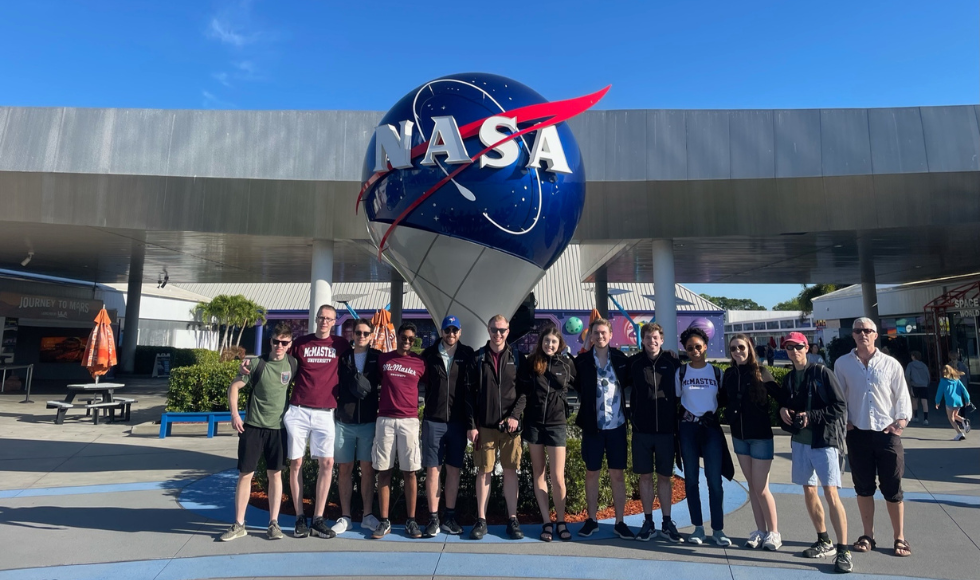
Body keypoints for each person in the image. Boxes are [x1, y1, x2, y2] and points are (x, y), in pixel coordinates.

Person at [240, 304, 352, 539]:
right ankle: (300, 517)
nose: (324, 321)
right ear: (316, 319)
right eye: (321, 317)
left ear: (334, 322)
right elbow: (277, 359)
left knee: (327, 464)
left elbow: (358, 362)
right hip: (298, 410)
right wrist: (249, 366)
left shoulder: (340, 345)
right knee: (296, 463)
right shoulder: (300, 344)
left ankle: (318, 519)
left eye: (328, 318)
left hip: (325, 411)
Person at [835, 318, 913, 559]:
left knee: (892, 488)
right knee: (864, 488)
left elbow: (902, 395)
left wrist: (901, 421)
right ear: (853, 335)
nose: (862, 334)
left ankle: (899, 537)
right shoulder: (842, 364)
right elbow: (839, 396)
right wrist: (844, 420)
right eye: (858, 330)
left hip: (887, 435)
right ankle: (867, 535)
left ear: (875, 334)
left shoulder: (890, 364)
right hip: (857, 434)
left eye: (867, 330)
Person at [779, 331, 851, 573]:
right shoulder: (789, 379)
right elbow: (787, 407)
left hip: (824, 442)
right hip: (800, 442)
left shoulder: (822, 373)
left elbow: (840, 406)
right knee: (809, 491)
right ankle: (824, 540)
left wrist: (812, 416)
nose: (794, 351)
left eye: (798, 346)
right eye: (789, 347)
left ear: (806, 347)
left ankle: (843, 550)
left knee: (831, 493)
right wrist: (783, 412)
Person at [220, 323, 296, 541]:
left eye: (284, 342)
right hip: (252, 426)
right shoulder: (255, 363)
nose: (279, 346)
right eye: (276, 341)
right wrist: (235, 415)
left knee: (275, 475)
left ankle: (274, 524)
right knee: (246, 474)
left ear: (289, 345)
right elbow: (234, 387)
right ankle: (239, 524)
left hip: (278, 429)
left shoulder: (293, 364)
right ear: (270, 341)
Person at [468, 314, 527, 540]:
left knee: (511, 472)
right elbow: (469, 396)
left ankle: (512, 519)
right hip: (485, 427)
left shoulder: (518, 358)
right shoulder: (478, 358)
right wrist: (472, 425)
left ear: (508, 331)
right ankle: (481, 520)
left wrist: (514, 416)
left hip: (511, 428)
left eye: (502, 330)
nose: (498, 333)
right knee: (484, 472)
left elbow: (524, 392)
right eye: (494, 329)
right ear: (488, 329)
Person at [573, 318, 634, 540]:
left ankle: (620, 521)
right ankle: (592, 520)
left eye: (603, 333)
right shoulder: (581, 362)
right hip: (593, 428)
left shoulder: (620, 359)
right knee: (592, 473)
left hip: (616, 426)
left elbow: (636, 372)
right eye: (596, 333)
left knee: (618, 475)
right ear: (590, 336)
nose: (599, 337)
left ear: (610, 335)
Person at [722, 333, 782, 551]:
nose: (737, 352)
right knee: (752, 486)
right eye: (733, 349)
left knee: (761, 487)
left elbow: (781, 396)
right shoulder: (729, 374)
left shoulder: (761, 373)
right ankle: (760, 530)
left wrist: (789, 410)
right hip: (739, 437)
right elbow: (719, 399)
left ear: (750, 348)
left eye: (741, 347)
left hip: (761, 437)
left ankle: (774, 532)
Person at [675, 326, 733, 546]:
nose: (694, 350)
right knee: (691, 480)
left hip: (710, 430)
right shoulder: (681, 373)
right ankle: (698, 528)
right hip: (688, 429)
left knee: (714, 481)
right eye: (690, 348)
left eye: (698, 346)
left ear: (706, 347)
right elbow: (677, 399)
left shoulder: (716, 372)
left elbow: (723, 399)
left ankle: (718, 529)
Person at [419, 315, 475, 537]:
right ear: (441, 332)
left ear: (460, 332)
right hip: (433, 420)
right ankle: (433, 518)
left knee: (453, 470)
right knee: (433, 470)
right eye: (447, 330)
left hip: (458, 422)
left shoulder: (467, 354)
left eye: (455, 330)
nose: (451, 334)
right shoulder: (429, 355)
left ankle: (449, 517)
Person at [627, 322, 682, 543]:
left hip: (667, 431)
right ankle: (648, 522)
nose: (652, 341)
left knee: (665, 477)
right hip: (641, 430)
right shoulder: (633, 364)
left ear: (662, 339)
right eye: (648, 337)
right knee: (645, 477)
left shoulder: (673, 362)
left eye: (656, 337)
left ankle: (667, 522)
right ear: (642, 340)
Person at [371, 322, 426, 539]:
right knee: (384, 471)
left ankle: (411, 521)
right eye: (403, 337)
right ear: (398, 337)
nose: (406, 341)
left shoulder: (420, 363)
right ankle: (384, 521)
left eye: (411, 339)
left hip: (409, 421)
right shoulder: (384, 359)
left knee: (410, 471)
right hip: (384, 419)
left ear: (415, 341)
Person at [522, 325, 576, 542]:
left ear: (559, 343)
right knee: (539, 473)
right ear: (541, 342)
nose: (550, 345)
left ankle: (561, 520)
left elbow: (584, 384)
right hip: (534, 424)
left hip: (556, 425)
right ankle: (547, 521)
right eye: (546, 341)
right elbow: (523, 392)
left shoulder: (567, 363)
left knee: (558, 476)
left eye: (553, 341)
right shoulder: (531, 362)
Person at [331, 319, 382, 535]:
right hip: (345, 421)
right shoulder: (343, 358)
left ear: (371, 335)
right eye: (358, 333)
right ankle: (345, 516)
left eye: (365, 333)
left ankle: (368, 515)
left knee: (368, 469)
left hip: (369, 421)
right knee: (344, 468)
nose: (361, 336)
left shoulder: (378, 359)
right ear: (353, 335)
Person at [935, 364, 972, 441]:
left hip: (950, 402)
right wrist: (967, 399)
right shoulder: (957, 380)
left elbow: (939, 392)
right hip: (958, 402)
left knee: (951, 418)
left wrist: (937, 402)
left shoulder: (943, 381)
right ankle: (963, 420)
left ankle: (959, 433)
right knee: (955, 415)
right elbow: (964, 390)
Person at [905, 351, 931, 425]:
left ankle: (915, 416)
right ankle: (926, 419)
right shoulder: (924, 365)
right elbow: (928, 375)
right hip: (924, 385)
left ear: (913, 356)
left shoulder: (910, 365)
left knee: (914, 401)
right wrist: (927, 383)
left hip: (914, 385)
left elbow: (907, 375)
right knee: (924, 402)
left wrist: (909, 383)